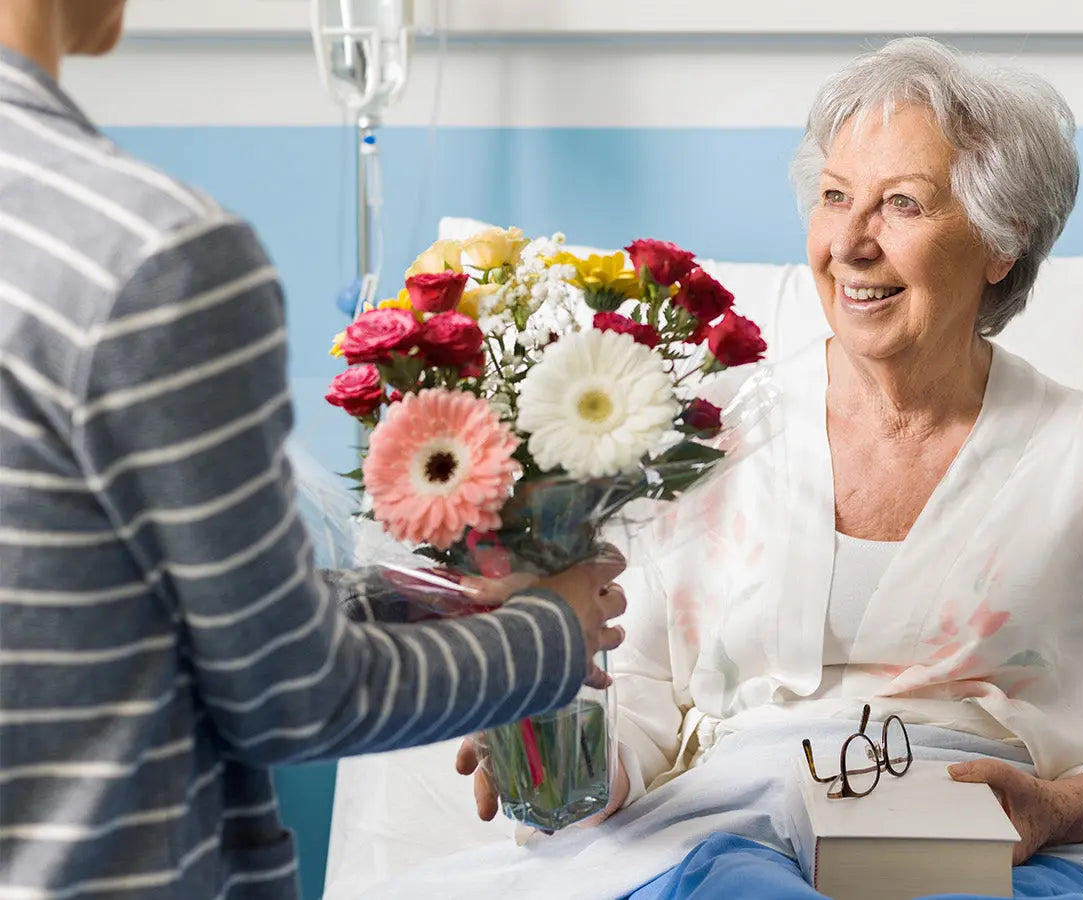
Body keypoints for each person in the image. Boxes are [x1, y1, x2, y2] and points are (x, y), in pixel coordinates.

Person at [417, 37, 1083, 900]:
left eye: (901, 204)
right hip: (738, 830)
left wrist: (1057, 809)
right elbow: (640, 698)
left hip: (1006, 852)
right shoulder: (716, 435)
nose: (852, 244)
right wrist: (554, 747)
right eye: (836, 198)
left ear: (998, 245)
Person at [0, 3, 626, 898]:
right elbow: (292, 697)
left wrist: (428, 597)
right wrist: (552, 635)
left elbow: (108, 611)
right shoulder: (152, 259)